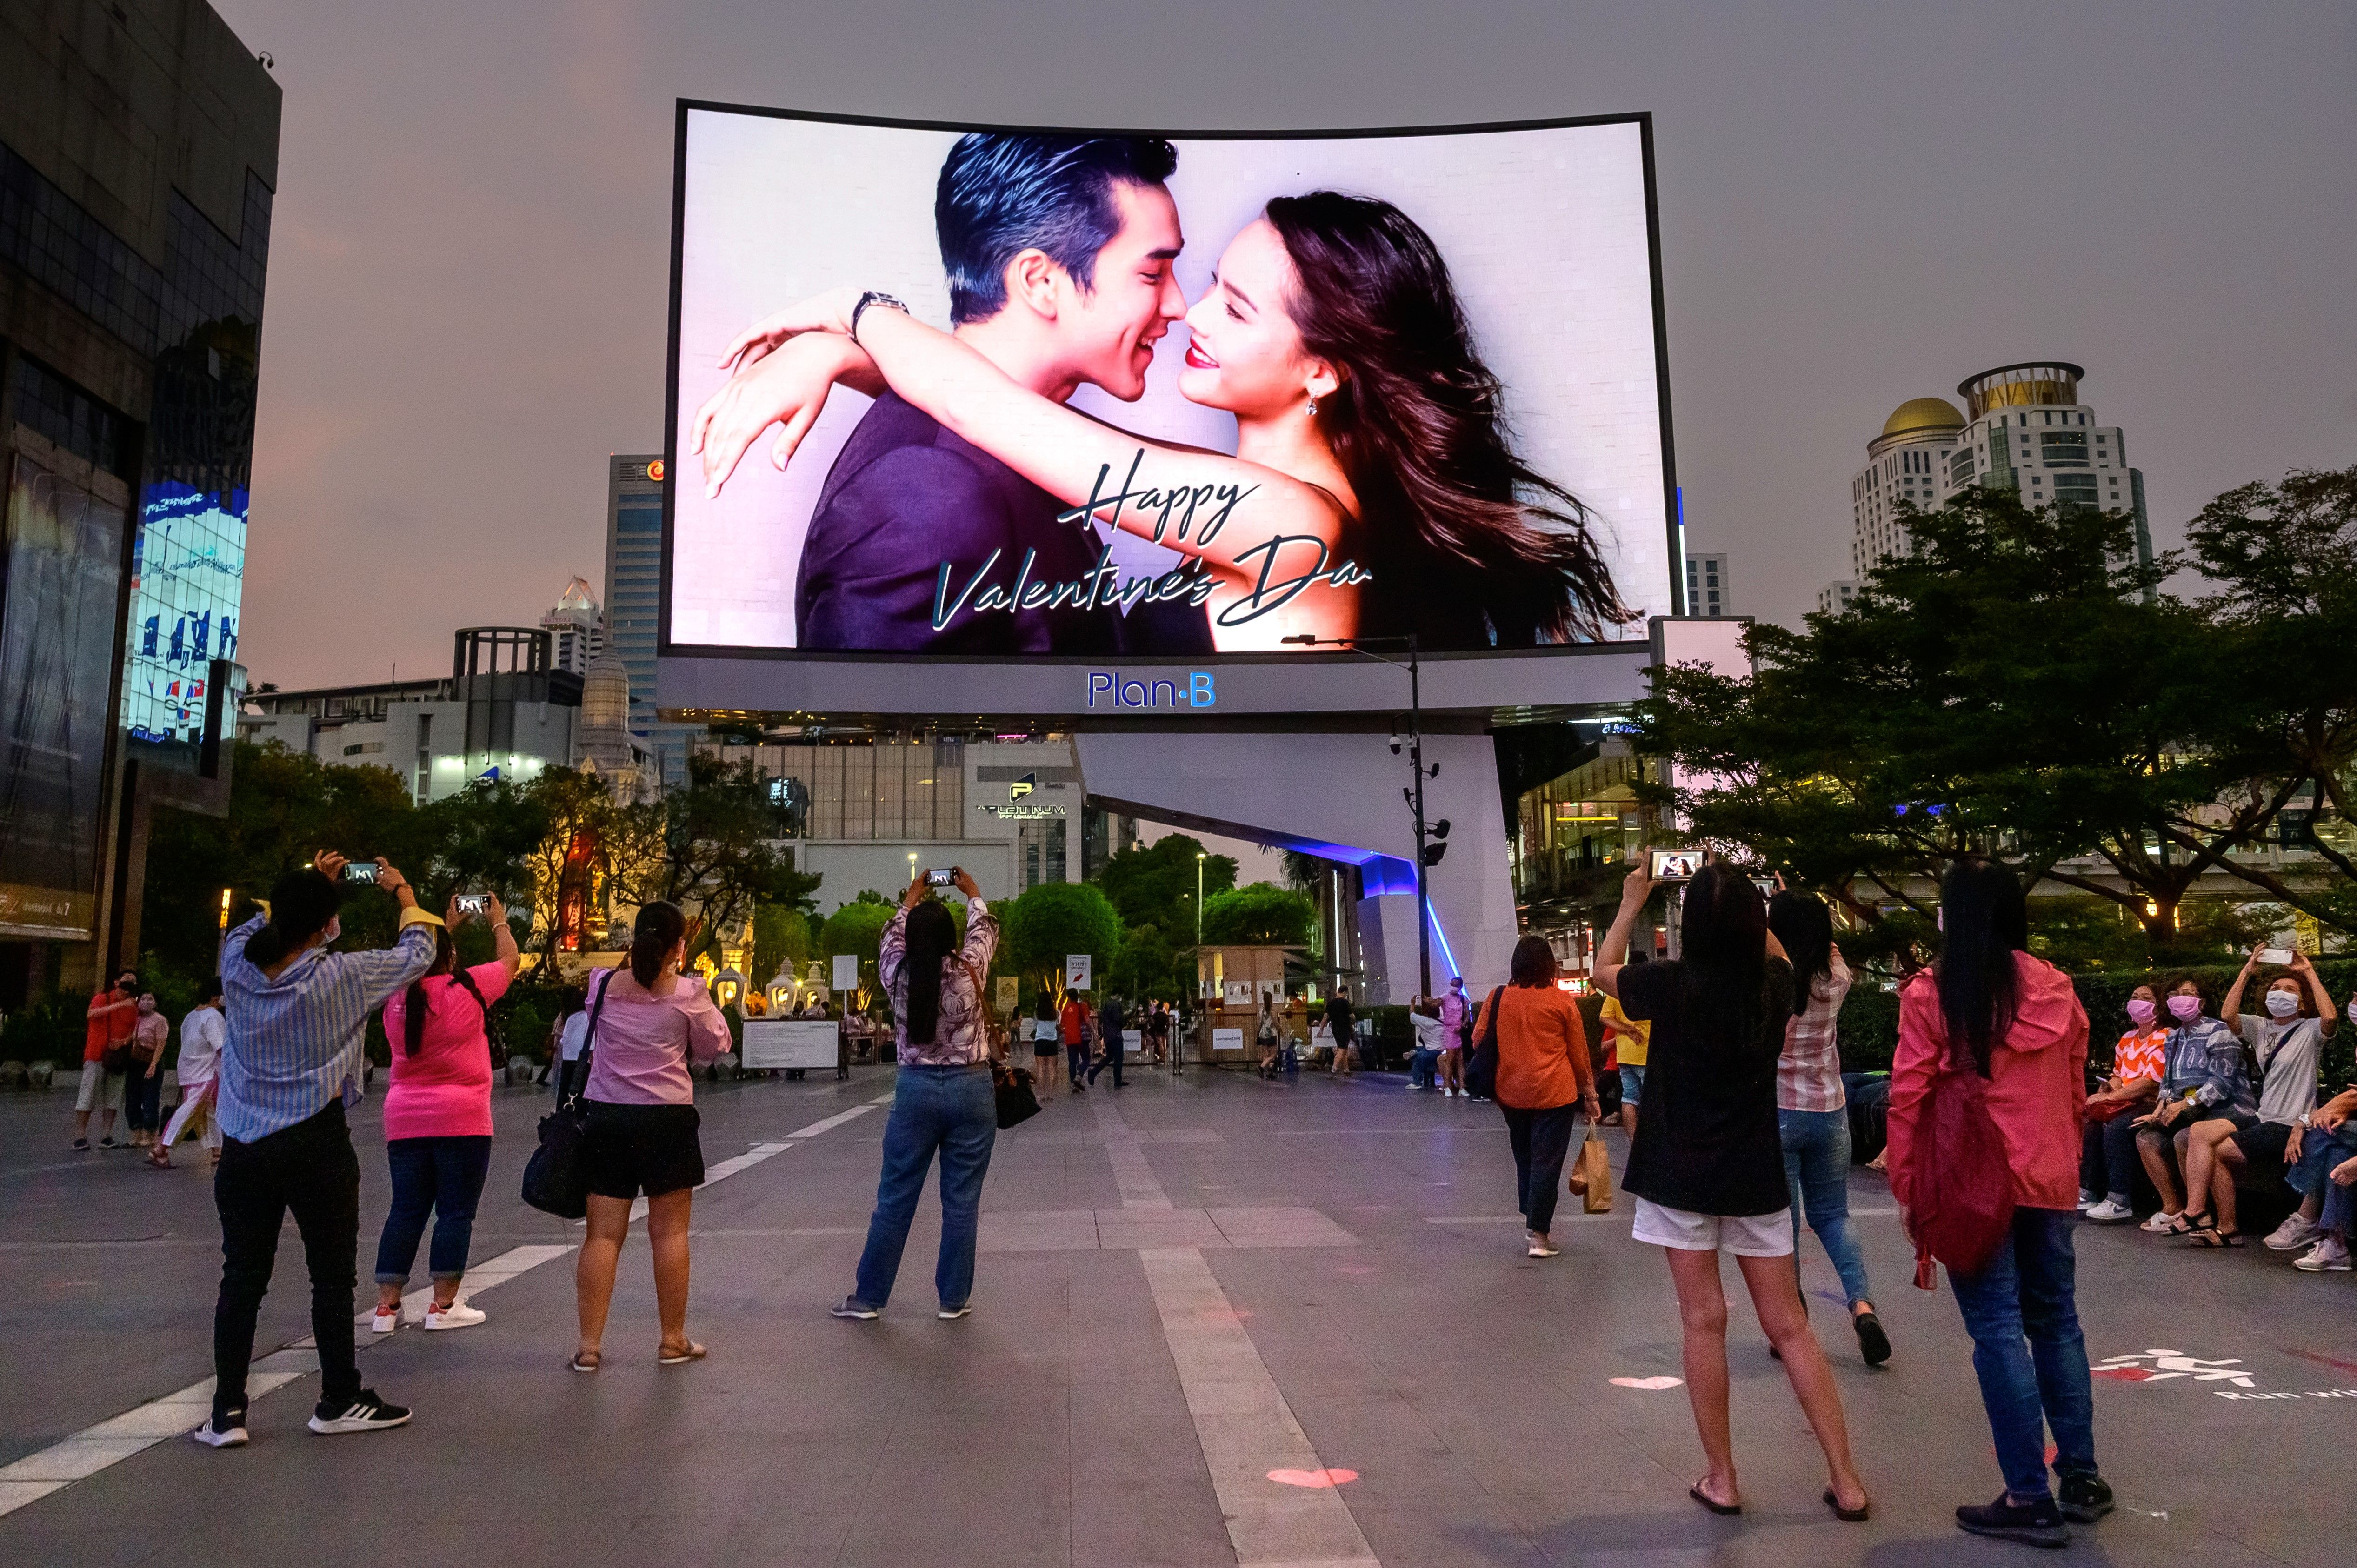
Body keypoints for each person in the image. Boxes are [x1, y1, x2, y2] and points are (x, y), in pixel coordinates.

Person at [697, 187, 1631, 653]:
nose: (1189, 311)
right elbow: (1012, 429)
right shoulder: (1284, 510)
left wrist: (858, 315)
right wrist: (854, 365)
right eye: (1202, 284)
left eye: (1235, 305)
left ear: (1318, 370)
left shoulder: (1294, 525)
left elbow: (988, 410)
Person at [1597, 859, 1869, 1522]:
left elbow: (1605, 970)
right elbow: (1773, 951)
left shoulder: (1671, 984)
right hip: (1755, 1175)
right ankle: (1847, 1480)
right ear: (1756, 926)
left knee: (1703, 1321)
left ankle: (1723, 1478)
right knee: (1793, 1328)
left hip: (1680, 1174)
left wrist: (1634, 901)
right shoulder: (1773, 985)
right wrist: (1766, 906)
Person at [1888, 857, 2108, 1548]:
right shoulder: (2057, 987)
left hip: (1973, 1189)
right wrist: (2063, 1165)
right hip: (2049, 1181)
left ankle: (2027, 1496)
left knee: (1997, 1332)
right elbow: (2075, 1091)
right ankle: (2081, 1478)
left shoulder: (1935, 992)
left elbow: (1909, 1096)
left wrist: (1907, 1184)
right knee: (2058, 1325)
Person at [195, 853, 437, 1449]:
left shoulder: (236, 966)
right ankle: (338, 1397)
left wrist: (313, 886)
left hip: (245, 1144)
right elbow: (419, 953)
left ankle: (227, 1412)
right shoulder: (344, 976)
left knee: (242, 1277)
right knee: (331, 1278)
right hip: (315, 1140)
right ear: (327, 925)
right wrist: (402, 891)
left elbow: (254, 925)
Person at [834, 869, 1002, 1321]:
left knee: (895, 1197)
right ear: (951, 937)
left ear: (911, 939)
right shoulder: (970, 969)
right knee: (962, 1200)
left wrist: (911, 895)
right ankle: (954, 1300)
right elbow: (984, 932)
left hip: (916, 1091)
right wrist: (972, 893)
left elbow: (889, 937)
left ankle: (868, 1298)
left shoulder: (897, 974)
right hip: (971, 1088)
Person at [571, 902, 732, 1372]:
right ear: (679, 946)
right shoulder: (688, 993)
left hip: (607, 1118)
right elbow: (713, 1046)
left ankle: (589, 1347)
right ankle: (671, 1339)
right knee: (669, 1233)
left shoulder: (601, 985)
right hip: (666, 1121)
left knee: (602, 1234)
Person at [370, 894, 520, 1335]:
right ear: (451, 957)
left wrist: (443, 933)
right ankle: (442, 1305)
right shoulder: (468, 988)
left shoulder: (396, 999)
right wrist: (497, 922)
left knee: (405, 1210)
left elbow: (425, 969)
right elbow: (511, 961)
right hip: (463, 1120)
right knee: (454, 1213)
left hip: (404, 1121)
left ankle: (386, 1308)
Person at [1766, 889, 1889, 1367]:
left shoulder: (1767, 985)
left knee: (1785, 1225)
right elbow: (1829, 947)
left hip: (1776, 1113)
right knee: (1834, 1216)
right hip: (1829, 1111)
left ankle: (1789, 1328)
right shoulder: (1837, 978)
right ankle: (1861, 1305)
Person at [2176, 946, 2335, 1247]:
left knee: (2217, 1152)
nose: (2281, 992)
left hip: (2289, 1124)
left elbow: (2330, 1017)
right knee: (2197, 1132)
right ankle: (2199, 1211)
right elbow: (2227, 1014)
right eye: (2275, 988)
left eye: (2290, 990)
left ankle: (2223, 1224)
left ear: (2302, 1005)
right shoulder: (2260, 1027)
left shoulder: (2309, 1030)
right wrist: (2248, 969)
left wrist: (2308, 972)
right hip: (2263, 1116)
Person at [1475, 938, 1601, 1258]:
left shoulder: (1498, 997)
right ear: (1549, 965)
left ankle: (1532, 1219)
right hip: (1555, 1094)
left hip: (1511, 1094)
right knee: (1547, 1162)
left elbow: (1478, 1039)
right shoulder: (1561, 1002)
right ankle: (1540, 1236)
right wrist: (1591, 1093)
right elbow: (1578, 1053)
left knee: (1525, 1157)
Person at [2132, 979, 2256, 1235]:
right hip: (2191, 1110)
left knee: (2185, 1137)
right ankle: (2174, 1207)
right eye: (2175, 994)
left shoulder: (2219, 1032)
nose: (2180, 999)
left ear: (2202, 1001)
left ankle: (2199, 1211)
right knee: (2147, 1138)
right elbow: (2167, 1082)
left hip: (2228, 1109)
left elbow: (2222, 1083)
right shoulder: (2174, 1037)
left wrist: (2184, 1104)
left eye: (2188, 994)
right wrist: (2161, 1107)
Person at [2078, 986, 2167, 1223]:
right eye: (2134, 997)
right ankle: (2087, 1191)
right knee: (2092, 1123)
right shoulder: (2128, 1038)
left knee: (2118, 1128)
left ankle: (2120, 1199)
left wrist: (2109, 1098)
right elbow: (2118, 1073)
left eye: (2147, 998)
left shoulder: (2164, 1036)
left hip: (2150, 1102)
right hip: (2125, 1100)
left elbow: (2149, 1083)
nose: (2139, 1002)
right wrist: (2111, 1088)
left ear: (2158, 1007)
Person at [152, 978, 227, 1169]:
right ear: (215, 996)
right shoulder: (213, 1016)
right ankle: (161, 1148)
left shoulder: (190, 1017)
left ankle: (218, 1152)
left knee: (210, 1112)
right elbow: (220, 1047)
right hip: (206, 1071)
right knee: (191, 1111)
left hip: (190, 1070)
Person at [74, 970, 138, 1150]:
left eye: (132, 985)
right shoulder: (103, 998)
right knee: (88, 1095)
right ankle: (80, 1136)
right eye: (126, 983)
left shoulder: (133, 1007)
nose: (128, 989)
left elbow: (136, 1031)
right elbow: (91, 1014)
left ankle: (107, 1136)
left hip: (118, 1059)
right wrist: (118, 1006)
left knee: (113, 1097)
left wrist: (124, 1042)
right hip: (96, 1055)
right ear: (117, 982)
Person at [1599, 975, 1650, 1137]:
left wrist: (1626, 1030)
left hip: (1625, 1055)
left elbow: (1604, 1017)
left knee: (1629, 1099)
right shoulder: (1650, 991)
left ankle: (1635, 1143)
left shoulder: (1617, 992)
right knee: (1651, 1099)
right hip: (1646, 1053)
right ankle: (1651, 1143)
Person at [125, 993, 169, 1147]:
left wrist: (153, 1066)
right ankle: (135, 1134)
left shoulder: (160, 1020)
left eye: (150, 999)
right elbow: (132, 1037)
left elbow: (161, 1044)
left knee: (150, 1099)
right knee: (132, 1100)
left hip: (151, 1062)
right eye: (143, 999)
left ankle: (149, 1134)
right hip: (135, 1063)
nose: (146, 1002)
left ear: (155, 1003)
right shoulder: (136, 1019)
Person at [1438, 976, 1469, 1097]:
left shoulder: (1463, 999)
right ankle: (1447, 1086)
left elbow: (1467, 1016)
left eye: (1456, 985)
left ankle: (1462, 1087)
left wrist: (1463, 1025)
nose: (1453, 987)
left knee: (1460, 1061)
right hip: (1450, 1031)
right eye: (1452, 984)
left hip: (1459, 1031)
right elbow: (1435, 1003)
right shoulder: (1445, 998)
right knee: (1450, 1060)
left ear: (1460, 987)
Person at [1407, 997, 1446, 1089]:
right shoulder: (1441, 1021)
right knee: (1418, 1051)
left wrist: (1413, 1003)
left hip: (1432, 1050)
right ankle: (1415, 1052)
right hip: (1440, 1049)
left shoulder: (1426, 1022)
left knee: (1417, 1059)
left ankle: (1417, 1082)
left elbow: (1412, 1015)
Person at [1090, 990, 1126, 1087]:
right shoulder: (1115, 1005)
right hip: (1116, 1035)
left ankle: (1093, 1072)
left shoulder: (1106, 1005)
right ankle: (1117, 1080)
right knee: (1119, 1057)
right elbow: (1118, 1019)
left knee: (1109, 1057)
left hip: (1108, 1035)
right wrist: (1125, 1018)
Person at [1060, 988, 1093, 1094]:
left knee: (1072, 1062)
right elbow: (1087, 1020)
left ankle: (1074, 1085)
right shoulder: (1082, 1006)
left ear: (1068, 997)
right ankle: (1079, 1077)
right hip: (1082, 1038)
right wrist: (1094, 1033)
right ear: (1077, 996)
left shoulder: (1066, 1008)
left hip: (1070, 1038)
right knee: (1087, 1059)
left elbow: (1063, 1024)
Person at [1030, 988, 1060, 1091]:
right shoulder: (1055, 1012)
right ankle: (1051, 1093)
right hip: (1052, 1041)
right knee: (1052, 1068)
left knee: (1040, 1069)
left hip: (1040, 1041)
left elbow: (1035, 1026)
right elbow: (1057, 1024)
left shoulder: (1037, 1013)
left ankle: (1042, 1093)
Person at [1325, 986, 1357, 1077]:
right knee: (1342, 1049)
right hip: (1345, 1028)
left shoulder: (1331, 1003)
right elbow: (1352, 1016)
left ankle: (1346, 1069)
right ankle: (1334, 1069)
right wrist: (1354, 1020)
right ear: (1345, 992)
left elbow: (1326, 1017)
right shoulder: (1345, 1003)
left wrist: (1322, 1028)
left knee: (1344, 1048)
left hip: (1335, 1028)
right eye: (1347, 993)